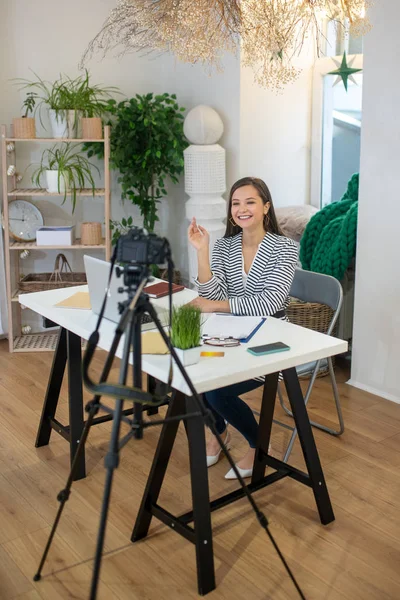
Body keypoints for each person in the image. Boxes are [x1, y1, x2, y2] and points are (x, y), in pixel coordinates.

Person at [187, 176, 298, 479]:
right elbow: (212, 294)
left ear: (265, 207)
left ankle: (258, 445)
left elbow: (270, 302)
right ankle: (220, 433)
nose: (242, 208)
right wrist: (202, 251)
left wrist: (215, 306)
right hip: (229, 335)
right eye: (236, 203)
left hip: (270, 339)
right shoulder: (224, 246)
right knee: (191, 375)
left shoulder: (285, 248)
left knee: (218, 394)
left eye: (250, 202)